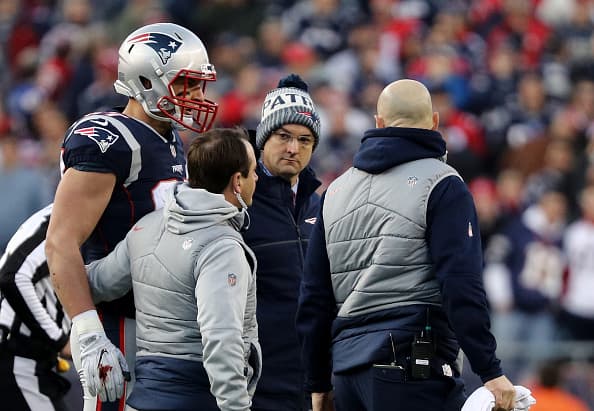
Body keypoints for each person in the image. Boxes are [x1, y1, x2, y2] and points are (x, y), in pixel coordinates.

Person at [296, 79, 516, 411]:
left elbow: (313, 298)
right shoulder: (443, 184)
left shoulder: (335, 192)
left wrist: (318, 382)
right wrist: (489, 370)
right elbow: (460, 283)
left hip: (347, 373)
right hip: (412, 363)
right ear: (435, 122)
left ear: (378, 123)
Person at [45, 22, 219, 410]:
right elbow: (60, 241)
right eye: (185, 84)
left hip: (163, 327)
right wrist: (88, 334)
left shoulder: (170, 142)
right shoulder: (109, 138)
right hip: (119, 322)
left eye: (197, 85)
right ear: (145, 79)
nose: (195, 96)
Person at [85, 128, 260, 411]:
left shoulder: (146, 226)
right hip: (197, 397)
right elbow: (221, 340)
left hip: (143, 399)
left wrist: (57, 261)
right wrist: (237, 407)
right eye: (253, 171)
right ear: (237, 181)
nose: (257, 177)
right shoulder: (221, 246)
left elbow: (94, 283)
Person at [242, 73, 322, 411]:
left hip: (313, 386)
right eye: (284, 136)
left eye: (305, 140)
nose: (293, 148)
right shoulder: (237, 203)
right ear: (263, 139)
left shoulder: (321, 206)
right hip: (256, 387)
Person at [0, 204, 72, 411]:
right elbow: (12, 277)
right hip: (17, 356)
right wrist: (60, 340)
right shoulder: (64, 218)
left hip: (29, 358)